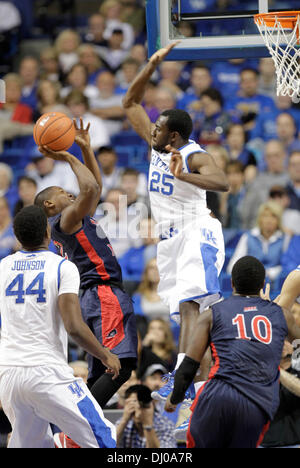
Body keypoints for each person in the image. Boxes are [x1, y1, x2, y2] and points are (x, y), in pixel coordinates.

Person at [122, 41, 229, 422]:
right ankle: (187, 389)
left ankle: (182, 382)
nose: (152, 129)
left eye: (160, 128)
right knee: (185, 314)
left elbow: (223, 181)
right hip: (170, 238)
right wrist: (150, 64)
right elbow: (130, 103)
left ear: (175, 137)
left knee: (194, 309)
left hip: (196, 230)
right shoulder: (157, 147)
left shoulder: (193, 153)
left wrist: (188, 176)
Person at [34, 119, 138, 427]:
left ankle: (76, 426)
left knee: (110, 369)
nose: (71, 192)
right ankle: (76, 426)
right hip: (102, 293)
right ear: (51, 203)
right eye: (63, 191)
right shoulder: (65, 219)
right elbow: (90, 187)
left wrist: (85, 148)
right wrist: (66, 155)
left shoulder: (71, 219)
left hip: (95, 297)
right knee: (119, 366)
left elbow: (96, 187)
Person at [0, 205, 120, 448]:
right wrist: (105, 354)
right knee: (103, 438)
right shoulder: (62, 266)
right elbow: (74, 326)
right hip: (46, 371)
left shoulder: (3, 267)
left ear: (16, 235)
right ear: (48, 231)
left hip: (9, 373)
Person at [164, 256, 300, 448]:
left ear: (233, 283)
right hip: (256, 404)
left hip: (218, 395)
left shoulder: (212, 313)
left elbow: (189, 365)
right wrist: (271, 310)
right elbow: (299, 345)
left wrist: (175, 397)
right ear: (262, 284)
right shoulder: (280, 314)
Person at [227, 200, 290, 287]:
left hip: (275, 286)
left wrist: (270, 273)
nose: (269, 220)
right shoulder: (248, 236)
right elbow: (232, 266)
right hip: (249, 285)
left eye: (273, 216)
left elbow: (288, 266)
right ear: (259, 218)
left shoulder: (285, 238)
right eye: (265, 216)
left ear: (278, 220)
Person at [116, 384, 177, 448]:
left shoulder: (165, 425)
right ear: (126, 403)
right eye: (134, 401)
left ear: (152, 404)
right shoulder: (123, 423)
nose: (138, 407)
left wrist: (147, 424)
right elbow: (108, 445)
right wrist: (124, 420)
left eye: (142, 404)